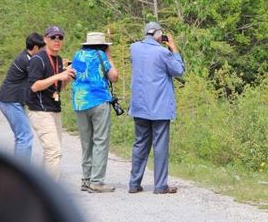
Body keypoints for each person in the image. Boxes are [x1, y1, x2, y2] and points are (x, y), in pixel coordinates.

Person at [128, 22, 184, 194]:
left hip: (140, 106)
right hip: (159, 108)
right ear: (159, 35)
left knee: (140, 144)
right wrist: (173, 49)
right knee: (160, 147)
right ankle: (160, 186)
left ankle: (134, 184)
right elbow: (179, 70)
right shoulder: (163, 52)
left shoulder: (134, 48)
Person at [71, 32, 119, 193]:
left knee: (86, 142)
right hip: (98, 101)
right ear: (103, 45)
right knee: (100, 140)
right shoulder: (101, 55)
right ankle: (97, 181)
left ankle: (86, 179)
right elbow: (114, 77)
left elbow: (75, 75)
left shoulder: (78, 55)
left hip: (80, 102)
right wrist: (109, 58)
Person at [27, 25, 76, 181]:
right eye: (53, 37)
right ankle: (50, 196)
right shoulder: (38, 59)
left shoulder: (59, 59)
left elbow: (58, 86)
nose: (57, 40)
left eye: (60, 37)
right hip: (40, 111)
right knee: (54, 153)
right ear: (45, 39)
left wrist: (66, 79)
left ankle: (40, 188)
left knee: (51, 152)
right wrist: (58, 76)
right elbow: (34, 86)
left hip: (54, 108)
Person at [0, 33, 45, 162]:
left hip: (11, 101)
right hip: (10, 101)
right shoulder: (26, 60)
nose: (43, 52)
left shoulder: (28, 57)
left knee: (22, 135)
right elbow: (40, 76)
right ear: (35, 47)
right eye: (42, 49)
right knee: (25, 136)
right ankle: (20, 174)